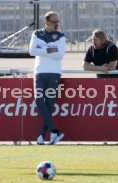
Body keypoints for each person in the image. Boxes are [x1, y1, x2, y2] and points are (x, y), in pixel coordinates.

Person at [29, 11, 66, 145]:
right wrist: (51, 49)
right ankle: (55, 131)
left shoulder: (61, 36)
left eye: (58, 21)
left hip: (54, 73)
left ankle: (41, 136)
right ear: (47, 22)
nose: (57, 24)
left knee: (49, 105)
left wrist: (43, 48)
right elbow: (32, 51)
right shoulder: (37, 33)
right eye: (54, 21)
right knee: (39, 100)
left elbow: (60, 54)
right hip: (39, 73)